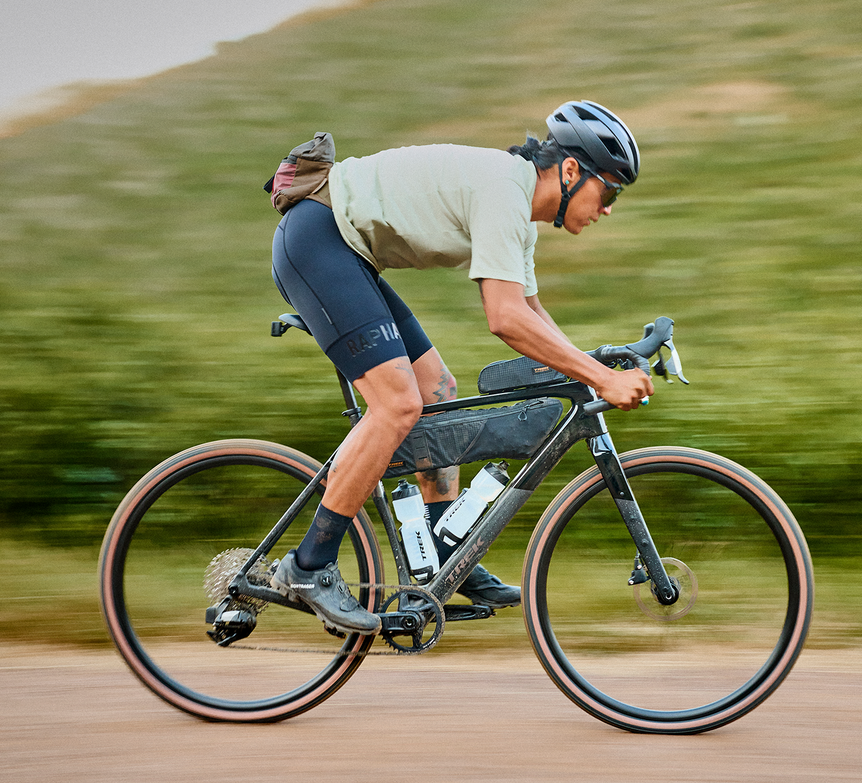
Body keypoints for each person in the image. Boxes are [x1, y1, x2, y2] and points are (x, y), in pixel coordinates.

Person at [268, 100, 655, 635]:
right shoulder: (504, 190)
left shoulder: (518, 210)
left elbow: (533, 314)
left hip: (343, 251)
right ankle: (309, 565)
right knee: (398, 403)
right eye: (608, 191)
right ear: (570, 172)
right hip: (319, 240)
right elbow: (505, 318)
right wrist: (602, 379)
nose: (608, 207)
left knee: (437, 388)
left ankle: (443, 554)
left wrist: (593, 364)